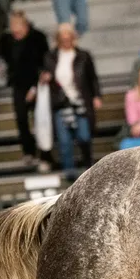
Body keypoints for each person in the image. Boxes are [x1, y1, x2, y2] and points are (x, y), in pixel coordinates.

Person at [37, 23, 101, 178]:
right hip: (60, 103)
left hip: (80, 101)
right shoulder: (50, 57)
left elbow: (92, 78)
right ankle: (69, 172)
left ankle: (88, 168)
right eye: (63, 39)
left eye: (69, 38)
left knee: (84, 136)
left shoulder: (83, 56)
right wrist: (45, 78)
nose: (66, 41)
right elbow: (44, 73)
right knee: (64, 141)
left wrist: (96, 96)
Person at [0, 11, 50, 167]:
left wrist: (34, 88)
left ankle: (45, 155)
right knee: (21, 119)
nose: (15, 29)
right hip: (18, 85)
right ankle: (28, 152)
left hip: (38, 84)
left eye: (18, 25)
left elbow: (44, 63)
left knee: (41, 120)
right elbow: (5, 61)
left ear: (26, 25)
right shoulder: (5, 40)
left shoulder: (38, 38)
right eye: (12, 26)